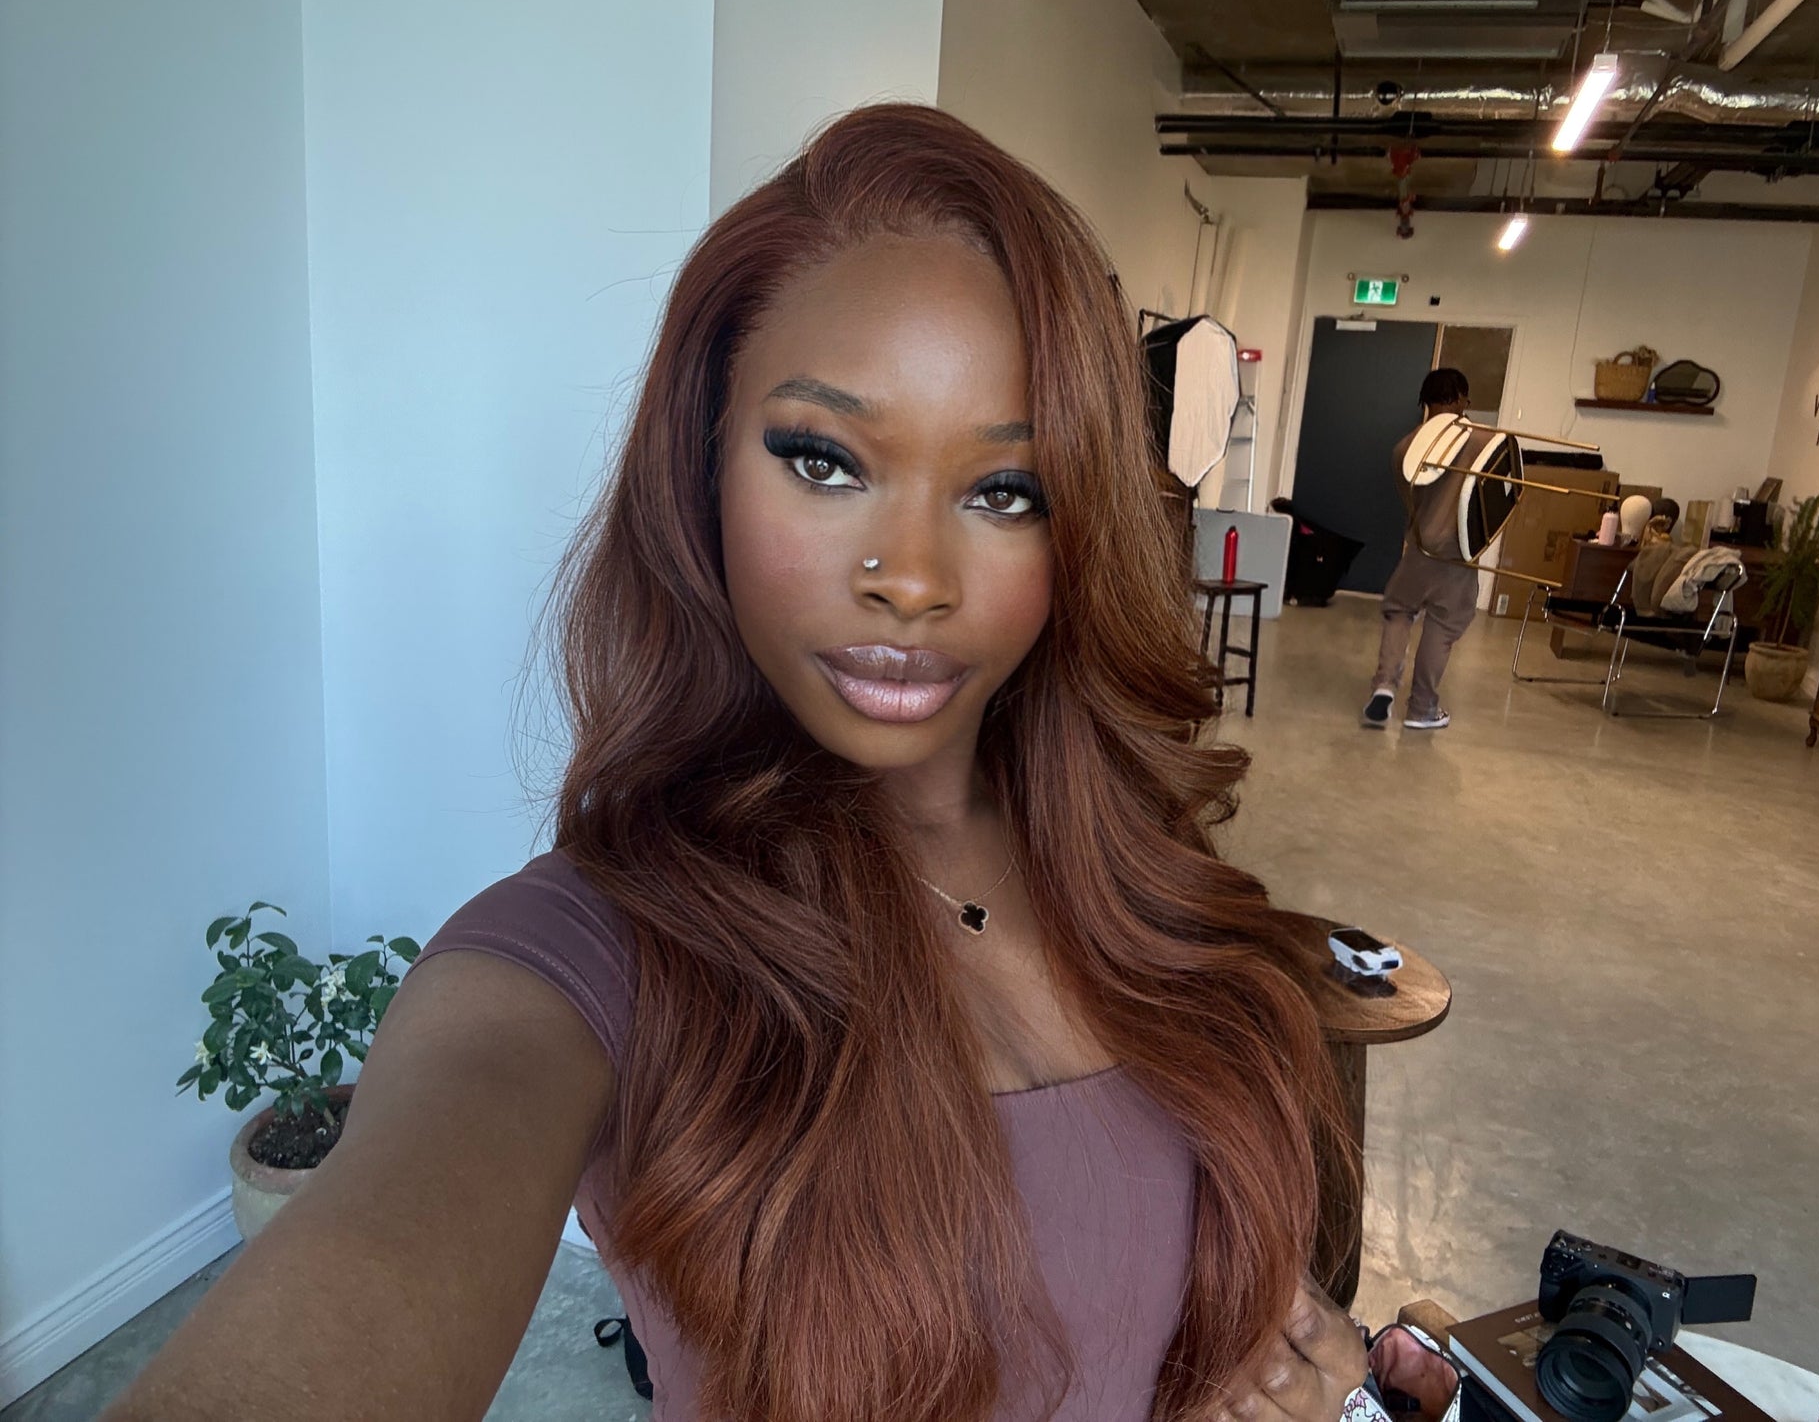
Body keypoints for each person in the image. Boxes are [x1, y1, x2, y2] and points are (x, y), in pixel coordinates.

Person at [107, 106, 1370, 1422]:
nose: (911, 580)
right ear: (699, 475)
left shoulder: (1128, 860)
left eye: (1005, 491)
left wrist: (1282, 1372)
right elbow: (400, 1217)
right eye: (823, 462)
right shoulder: (595, 950)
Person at [1361, 368, 1484, 732]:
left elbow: (1412, 503)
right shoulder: (1484, 442)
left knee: (1399, 611)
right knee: (1443, 625)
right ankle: (1422, 708)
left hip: (1418, 550)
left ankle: (1384, 685)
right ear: (1460, 399)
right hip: (1458, 555)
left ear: (1424, 403)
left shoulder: (1404, 449)